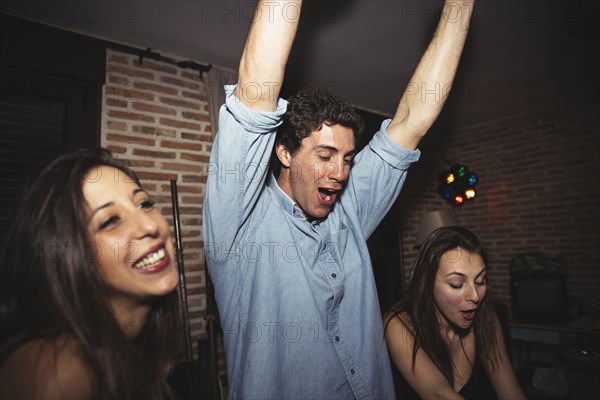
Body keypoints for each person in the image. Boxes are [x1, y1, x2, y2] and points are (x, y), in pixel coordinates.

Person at [202, 0, 475, 398]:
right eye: (325, 156)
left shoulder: (347, 211)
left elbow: (412, 119)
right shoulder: (239, 225)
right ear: (284, 153)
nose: (341, 172)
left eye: (347, 159)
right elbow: (255, 90)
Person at [0, 148, 182, 399]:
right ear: (69, 256)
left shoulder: (133, 349)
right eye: (110, 221)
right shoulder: (57, 372)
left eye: (144, 204)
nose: (150, 225)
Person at [384, 226, 526, 399]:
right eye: (457, 284)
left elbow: (511, 392)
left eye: (480, 281)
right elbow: (438, 394)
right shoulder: (399, 324)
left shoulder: (486, 319)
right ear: (427, 283)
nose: (475, 296)